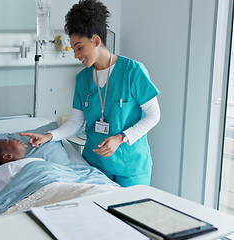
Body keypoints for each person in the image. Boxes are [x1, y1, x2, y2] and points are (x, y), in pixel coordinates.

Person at [21, 0, 161, 187]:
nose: (76, 55)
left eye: (79, 47)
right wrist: (49, 136)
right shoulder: (83, 79)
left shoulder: (133, 71)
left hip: (131, 166)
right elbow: (76, 122)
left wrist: (121, 138)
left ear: (96, 40)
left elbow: (154, 115)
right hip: (95, 166)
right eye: (73, 49)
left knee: (128, 214)